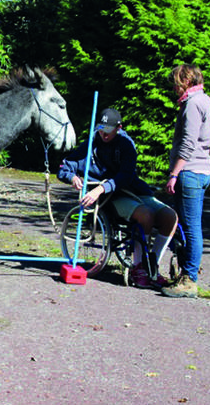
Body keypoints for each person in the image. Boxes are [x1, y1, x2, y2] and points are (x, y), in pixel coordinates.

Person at [58, 108, 178, 288]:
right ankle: (139, 269)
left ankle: (151, 266)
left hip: (129, 189)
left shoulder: (126, 145)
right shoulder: (90, 144)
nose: (104, 134)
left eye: (108, 130)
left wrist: (101, 188)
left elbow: (125, 176)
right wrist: (72, 177)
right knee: (145, 215)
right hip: (109, 200)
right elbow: (64, 168)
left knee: (170, 217)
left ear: (119, 128)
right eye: (101, 129)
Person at [162, 64, 210, 298]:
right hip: (203, 169)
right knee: (189, 225)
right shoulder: (206, 100)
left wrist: (174, 174)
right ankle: (186, 273)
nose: (175, 88)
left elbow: (187, 143)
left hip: (190, 172)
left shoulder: (193, 104)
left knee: (190, 227)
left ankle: (189, 280)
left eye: (177, 82)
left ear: (185, 81)